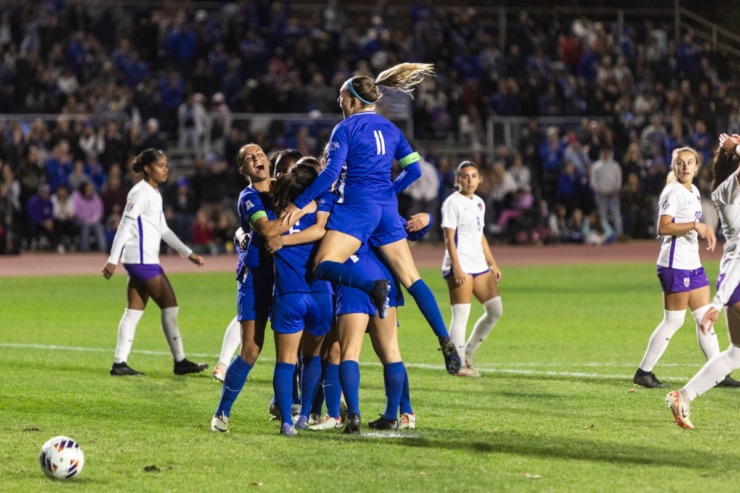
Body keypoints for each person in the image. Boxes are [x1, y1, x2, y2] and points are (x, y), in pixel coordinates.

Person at [279, 63, 461, 374]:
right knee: (413, 278)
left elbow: (332, 173)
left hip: (358, 208)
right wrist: (390, 190)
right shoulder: (392, 128)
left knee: (322, 265)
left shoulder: (345, 129)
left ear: (352, 99)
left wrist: (300, 202)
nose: (338, 102)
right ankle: (445, 338)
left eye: (340, 97)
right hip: (386, 209)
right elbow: (414, 170)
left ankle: (372, 287)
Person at [210, 143, 312, 432]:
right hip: (256, 281)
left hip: (287, 279)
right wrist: (300, 210)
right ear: (243, 169)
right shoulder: (249, 197)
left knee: (297, 348)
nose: (256, 159)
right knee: (251, 350)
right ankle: (222, 412)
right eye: (248, 158)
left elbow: (314, 181)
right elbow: (267, 231)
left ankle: (294, 404)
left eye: (259, 154)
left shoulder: (283, 186)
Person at [633, 146, 739, 389]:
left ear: (697, 167)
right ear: (674, 166)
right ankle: (644, 371)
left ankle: (718, 371)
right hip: (674, 264)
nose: (685, 166)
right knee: (673, 321)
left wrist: (702, 228)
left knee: (704, 318)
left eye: (690, 162)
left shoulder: (691, 191)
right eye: (680, 162)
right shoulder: (673, 192)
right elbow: (663, 227)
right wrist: (696, 225)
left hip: (692, 263)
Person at [102, 148, 208, 377]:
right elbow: (124, 225)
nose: (165, 169)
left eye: (166, 164)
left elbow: (162, 229)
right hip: (141, 261)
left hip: (141, 260)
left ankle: (119, 363)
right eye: (161, 165)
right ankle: (180, 361)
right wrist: (112, 260)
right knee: (170, 305)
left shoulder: (154, 193)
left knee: (133, 311)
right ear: (147, 169)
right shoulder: (139, 193)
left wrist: (187, 253)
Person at [668, 134, 740, 429]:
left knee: (736, 352)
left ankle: (683, 397)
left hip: (733, 276)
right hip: (736, 277)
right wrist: (719, 300)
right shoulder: (728, 190)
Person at [269, 162, 334, 435]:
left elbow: (266, 235)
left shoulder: (275, 208)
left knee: (285, 361)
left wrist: (283, 238)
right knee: (313, 358)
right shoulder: (325, 202)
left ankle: (286, 422)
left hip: (288, 293)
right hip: (320, 293)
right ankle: (305, 415)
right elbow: (321, 230)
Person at [441, 161, 503, 378]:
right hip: (460, 264)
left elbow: (480, 235)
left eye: (474, 176)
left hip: (478, 265)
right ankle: (457, 366)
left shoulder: (479, 203)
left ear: (480, 179)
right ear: (458, 180)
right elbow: (449, 238)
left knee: (495, 310)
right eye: (465, 176)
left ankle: (467, 353)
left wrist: (491, 262)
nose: (470, 180)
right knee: (461, 315)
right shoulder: (452, 203)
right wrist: (456, 266)